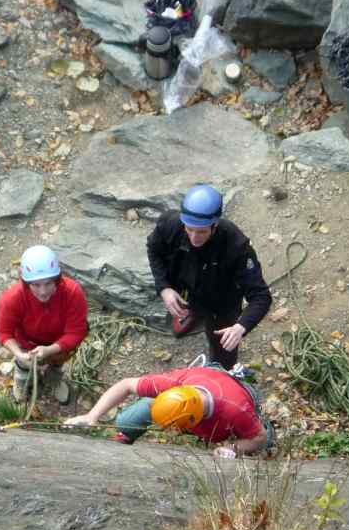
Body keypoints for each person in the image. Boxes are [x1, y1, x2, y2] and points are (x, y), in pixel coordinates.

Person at [147, 184, 272, 369]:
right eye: (189, 229)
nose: (194, 238)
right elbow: (154, 249)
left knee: (223, 349)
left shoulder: (236, 246)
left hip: (221, 302)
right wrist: (164, 287)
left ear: (215, 225)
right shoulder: (171, 223)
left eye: (202, 231)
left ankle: (221, 371)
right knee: (185, 303)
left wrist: (240, 327)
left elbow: (261, 296)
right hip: (186, 287)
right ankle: (193, 313)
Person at [64, 365, 272, 458]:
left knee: (266, 440)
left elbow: (259, 437)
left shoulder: (235, 410)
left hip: (232, 405)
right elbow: (126, 385)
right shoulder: (173, 384)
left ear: (193, 422)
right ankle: (126, 432)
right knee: (131, 417)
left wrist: (233, 448)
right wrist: (92, 416)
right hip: (202, 384)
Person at [0, 245, 88, 404]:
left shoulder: (72, 292)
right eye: (36, 285)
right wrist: (19, 354)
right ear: (26, 283)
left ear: (57, 279)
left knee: (57, 362)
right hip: (26, 343)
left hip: (60, 343)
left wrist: (50, 350)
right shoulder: (13, 298)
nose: (43, 291)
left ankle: (54, 377)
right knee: (24, 364)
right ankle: (23, 379)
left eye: (48, 283)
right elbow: (4, 332)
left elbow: (76, 331)